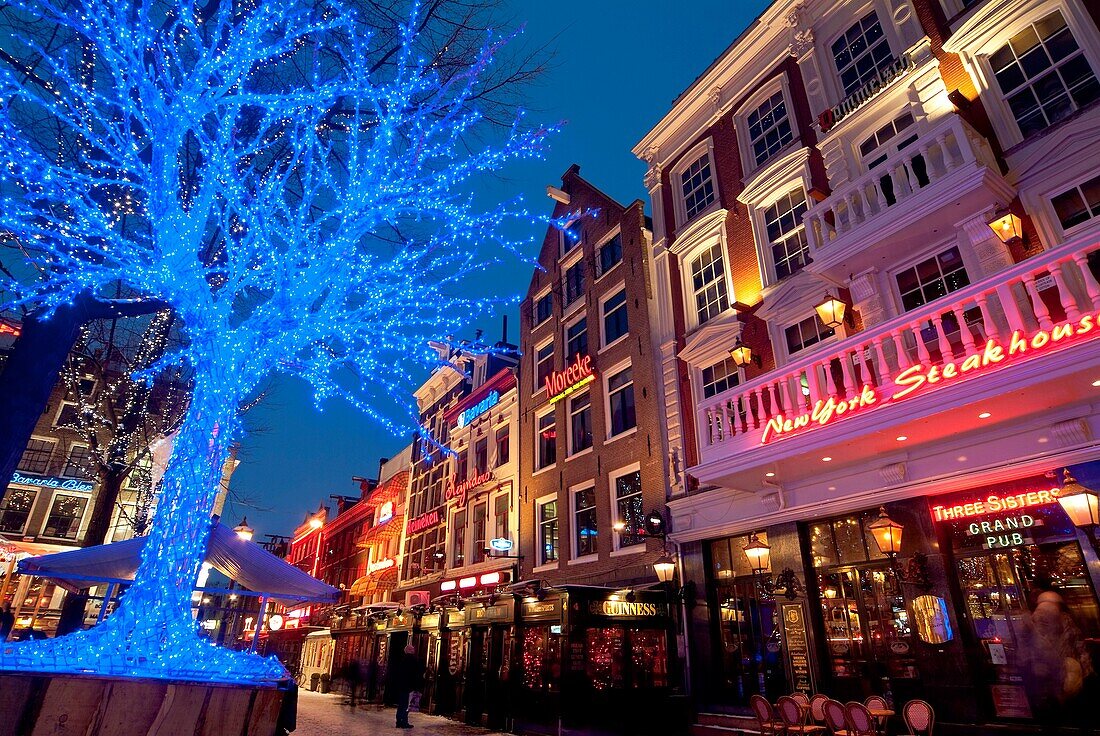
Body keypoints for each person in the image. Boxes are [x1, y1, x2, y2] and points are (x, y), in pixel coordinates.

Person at [388, 644, 424, 729]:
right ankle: (404, 722)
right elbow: (416, 675)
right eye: (413, 649)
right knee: (407, 705)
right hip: (409, 687)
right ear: (410, 651)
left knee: (401, 704)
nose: (414, 650)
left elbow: (397, 674)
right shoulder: (414, 661)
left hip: (401, 686)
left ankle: (398, 721)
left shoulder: (401, 660)